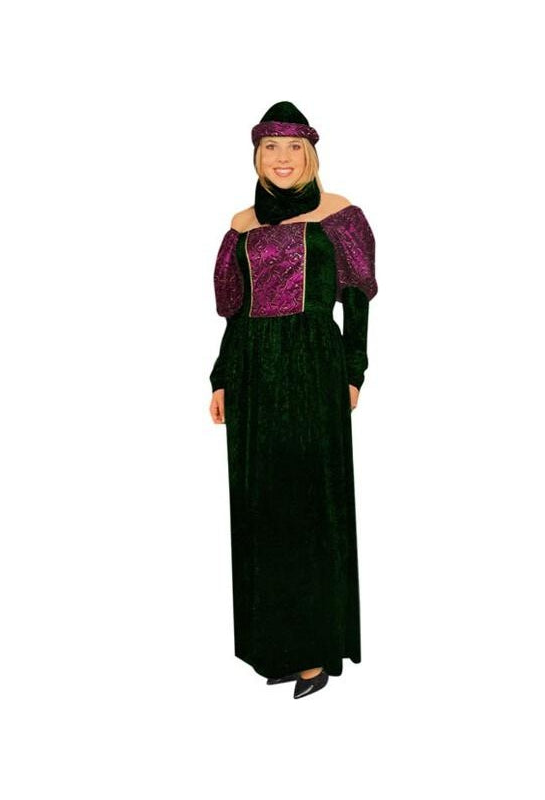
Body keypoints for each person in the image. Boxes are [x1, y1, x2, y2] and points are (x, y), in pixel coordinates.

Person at [208, 101, 378, 699]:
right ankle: (277, 646)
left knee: (309, 503)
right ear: (257, 155)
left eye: (293, 148)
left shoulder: (340, 216)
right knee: (262, 506)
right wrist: (221, 378)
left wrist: (353, 370)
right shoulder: (241, 224)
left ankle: (316, 651)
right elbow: (235, 313)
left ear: (310, 155)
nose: (282, 159)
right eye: (270, 148)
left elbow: (356, 300)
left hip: (312, 366)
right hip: (254, 371)